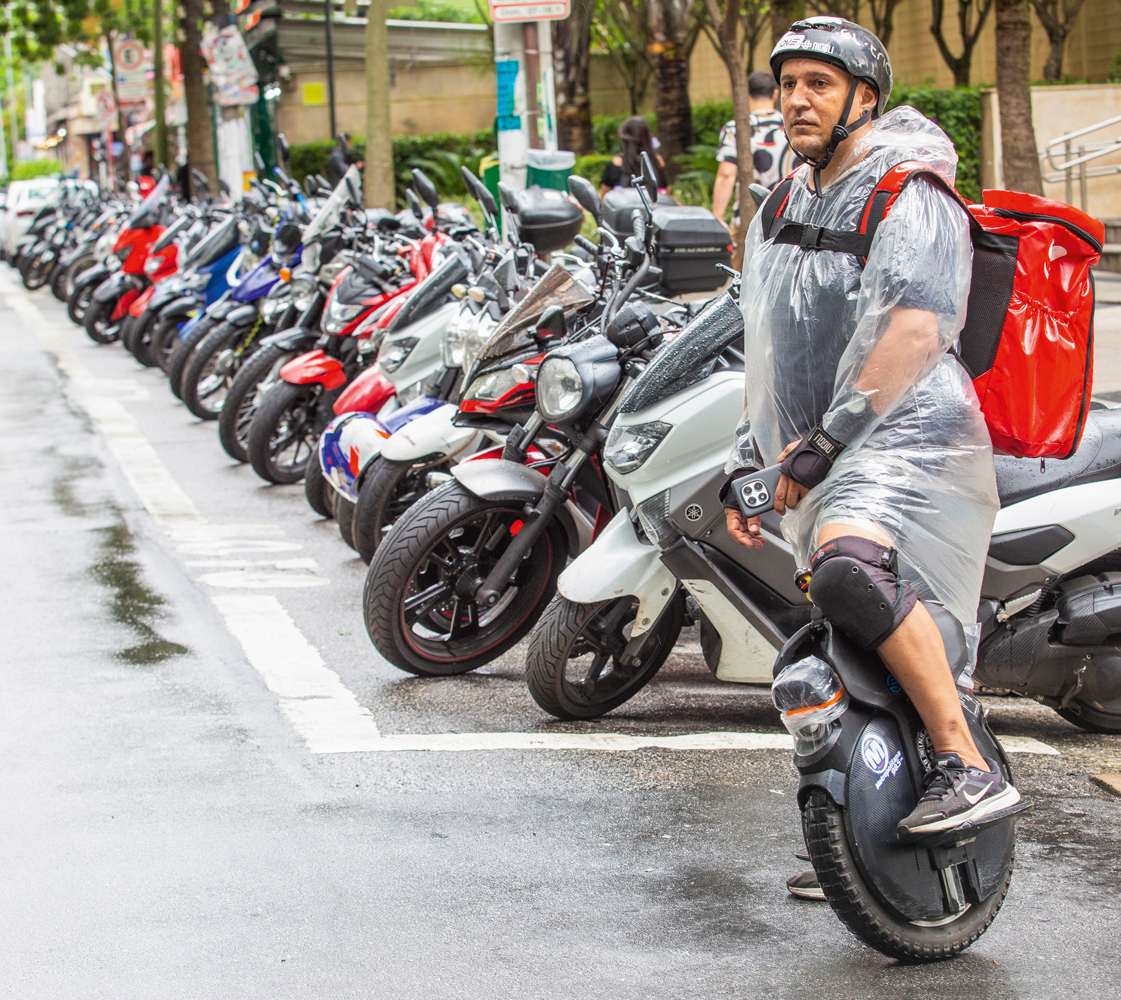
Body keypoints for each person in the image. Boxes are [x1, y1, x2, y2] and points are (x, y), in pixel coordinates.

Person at [720, 17, 1020, 899]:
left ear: (865, 97)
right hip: (825, 448)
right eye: (787, 83)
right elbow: (767, 343)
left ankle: (967, 765)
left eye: (818, 83)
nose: (796, 100)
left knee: (850, 575)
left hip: (909, 438)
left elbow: (916, 329)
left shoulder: (907, 189)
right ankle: (863, 835)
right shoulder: (786, 198)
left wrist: (824, 443)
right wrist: (747, 458)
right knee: (836, 643)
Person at [711, 70, 792, 234]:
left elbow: (726, 174)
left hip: (748, 220)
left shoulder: (735, 129)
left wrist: (717, 217)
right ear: (775, 94)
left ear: (747, 95)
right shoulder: (791, 125)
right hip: (790, 218)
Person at [599, 116, 668, 196]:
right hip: (651, 203)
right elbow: (666, 190)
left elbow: (605, 194)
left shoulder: (616, 163)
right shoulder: (657, 161)